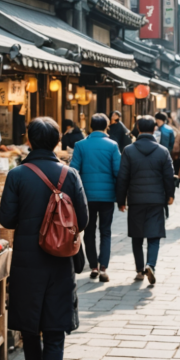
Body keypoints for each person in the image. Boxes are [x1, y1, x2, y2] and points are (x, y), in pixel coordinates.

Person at [0, 118, 89, 360]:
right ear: (56, 141)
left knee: (29, 325)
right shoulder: (70, 174)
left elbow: (6, 219)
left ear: (29, 140)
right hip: (60, 261)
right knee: (54, 328)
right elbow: (84, 219)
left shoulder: (17, 175)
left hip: (27, 261)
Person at [115, 116, 174, 285]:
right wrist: (170, 195)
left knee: (137, 236)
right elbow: (168, 176)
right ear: (154, 129)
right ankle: (151, 264)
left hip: (136, 199)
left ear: (138, 128)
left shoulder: (129, 150)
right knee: (154, 235)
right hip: (156, 199)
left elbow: (123, 177)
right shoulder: (162, 151)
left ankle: (140, 270)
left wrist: (121, 200)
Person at [70, 113, 120, 281]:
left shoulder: (80, 145)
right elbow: (118, 172)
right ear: (106, 126)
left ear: (90, 126)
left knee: (89, 231)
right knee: (105, 231)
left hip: (86, 197)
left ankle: (93, 267)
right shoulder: (112, 146)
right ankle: (104, 267)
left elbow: (74, 171)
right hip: (107, 197)